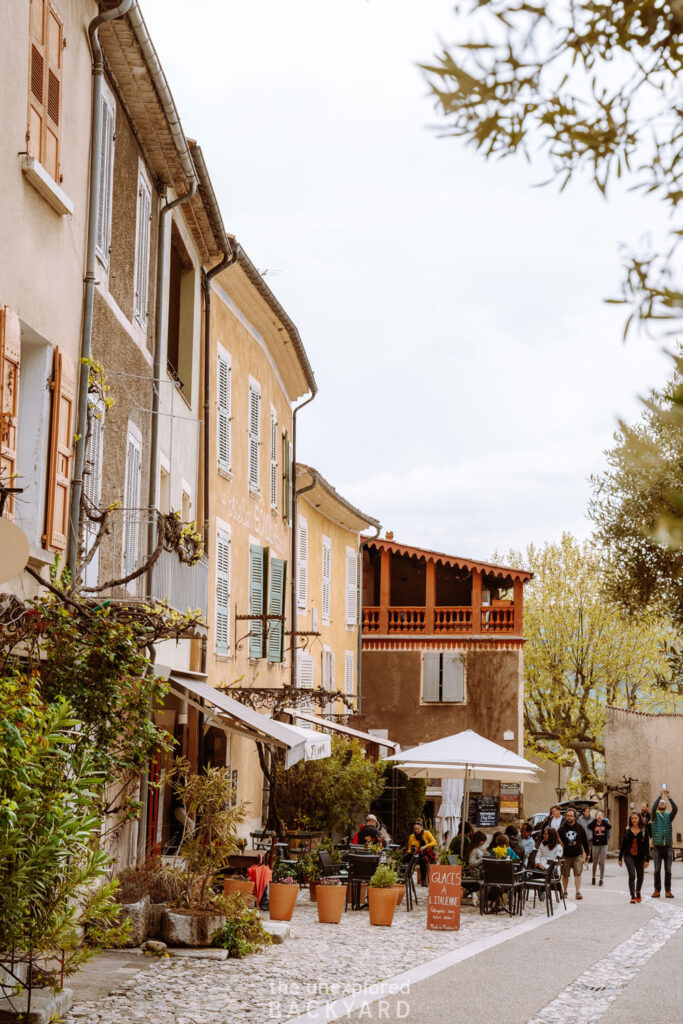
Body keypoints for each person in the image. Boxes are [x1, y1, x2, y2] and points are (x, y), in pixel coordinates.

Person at [651, 788, 678, 898]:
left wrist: (669, 797)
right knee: (657, 869)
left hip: (668, 846)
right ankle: (657, 890)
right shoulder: (654, 816)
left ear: (666, 806)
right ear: (658, 805)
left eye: (663, 803)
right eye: (660, 803)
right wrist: (660, 796)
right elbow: (653, 808)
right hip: (657, 846)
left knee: (668, 870)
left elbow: (675, 809)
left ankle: (668, 891)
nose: (662, 804)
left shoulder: (668, 816)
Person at [618, 811, 650, 903]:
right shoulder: (627, 830)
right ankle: (632, 895)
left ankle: (638, 891)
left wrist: (647, 859)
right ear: (630, 819)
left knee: (640, 877)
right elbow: (623, 844)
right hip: (629, 856)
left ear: (639, 819)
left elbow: (646, 846)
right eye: (632, 818)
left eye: (636, 818)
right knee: (632, 874)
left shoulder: (644, 831)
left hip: (640, 857)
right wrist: (620, 858)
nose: (634, 820)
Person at [558, 807, 589, 899]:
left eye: (571, 816)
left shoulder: (579, 828)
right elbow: (557, 842)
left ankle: (578, 892)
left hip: (577, 855)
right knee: (565, 875)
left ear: (574, 817)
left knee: (578, 873)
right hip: (565, 855)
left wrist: (587, 853)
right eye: (567, 816)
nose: (569, 817)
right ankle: (565, 891)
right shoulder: (561, 829)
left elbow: (585, 841)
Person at [407, 819, 437, 885]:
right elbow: (409, 849)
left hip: (426, 853)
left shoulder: (426, 833)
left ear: (421, 827)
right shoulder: (412, 837)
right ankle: (407, 876)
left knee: (423, 860)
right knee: (407, 858)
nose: (416, 830)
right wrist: (412, 851)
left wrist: (425, 846)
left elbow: (434, 842)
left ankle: (423, 880)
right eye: (415, 829)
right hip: (416, 853)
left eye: (417, 829)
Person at [588, 810, 610, 887]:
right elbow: (589, 826)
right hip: (596, 844)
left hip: (604, 845)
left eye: (601, 815)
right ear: (596, 816)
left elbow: (609, 827)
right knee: (595, 862)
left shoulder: (604, 823)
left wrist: (604, 820)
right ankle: (593, 877)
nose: (599, 816)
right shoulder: (594, 823)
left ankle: (601, 878)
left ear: (603, 817)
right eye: (598, 815)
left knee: (602, 862)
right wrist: (595, 820)